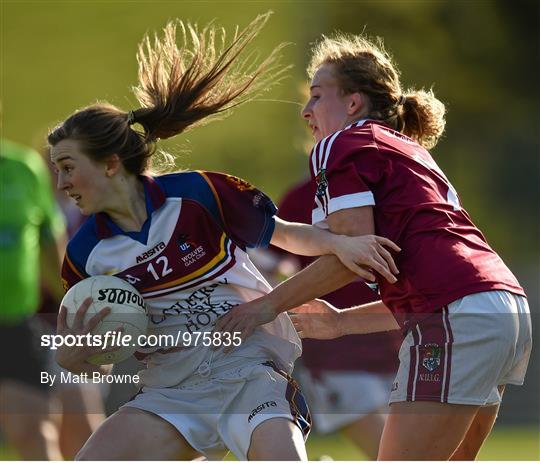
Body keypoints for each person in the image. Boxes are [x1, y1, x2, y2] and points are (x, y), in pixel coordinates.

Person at [49, 16, 400, 461]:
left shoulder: (198, 194)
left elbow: (288, 235)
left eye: (67, 166)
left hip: (249, 372)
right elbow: (83, 359)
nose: (61, 184)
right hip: (168, 392)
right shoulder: (84, 254)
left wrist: (339, 244)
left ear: (111, 164)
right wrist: (76, 352)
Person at [215, 32, 532, 460]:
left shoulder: (340, 144)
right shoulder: (410, 150)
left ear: (353, 103)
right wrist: (342, 322)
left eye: (317, 95)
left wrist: (262, 307)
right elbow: (430, 282)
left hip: (458, 317)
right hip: (505, 307)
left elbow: (351, 256)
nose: (306, 111)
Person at [253, 177, 401, 460]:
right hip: (337, 356)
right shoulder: (303, 197)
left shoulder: (394, 190)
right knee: (393, 455)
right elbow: (265, 267)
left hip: (396, 346)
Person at [0, 139, 66, 460]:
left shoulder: (24, 168)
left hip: (15, 324)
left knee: (36, 431)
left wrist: (74, 304)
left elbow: (51, 242)